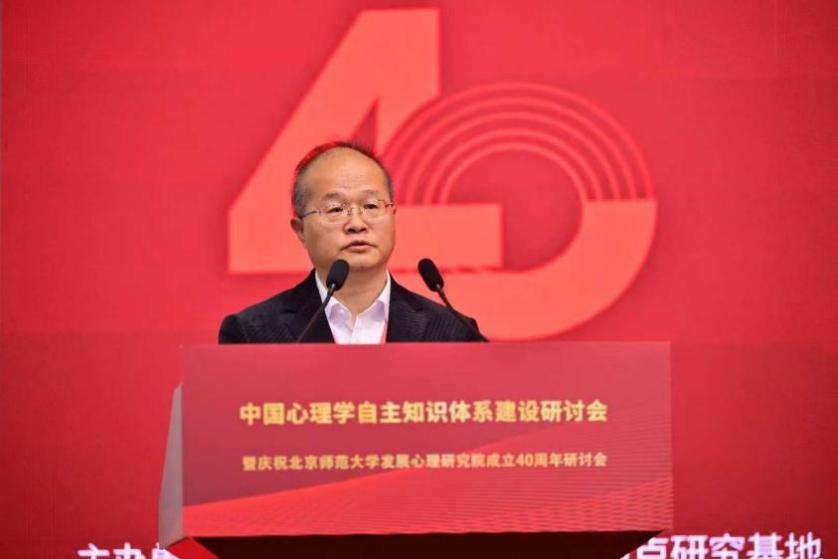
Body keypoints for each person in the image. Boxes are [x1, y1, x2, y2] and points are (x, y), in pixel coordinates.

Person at [219, 141, 483, 344]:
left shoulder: (454, 333)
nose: (357, 223)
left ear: (392, 216)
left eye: (371, 206)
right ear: (301, 230)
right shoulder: (252, 334)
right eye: (335, 209)